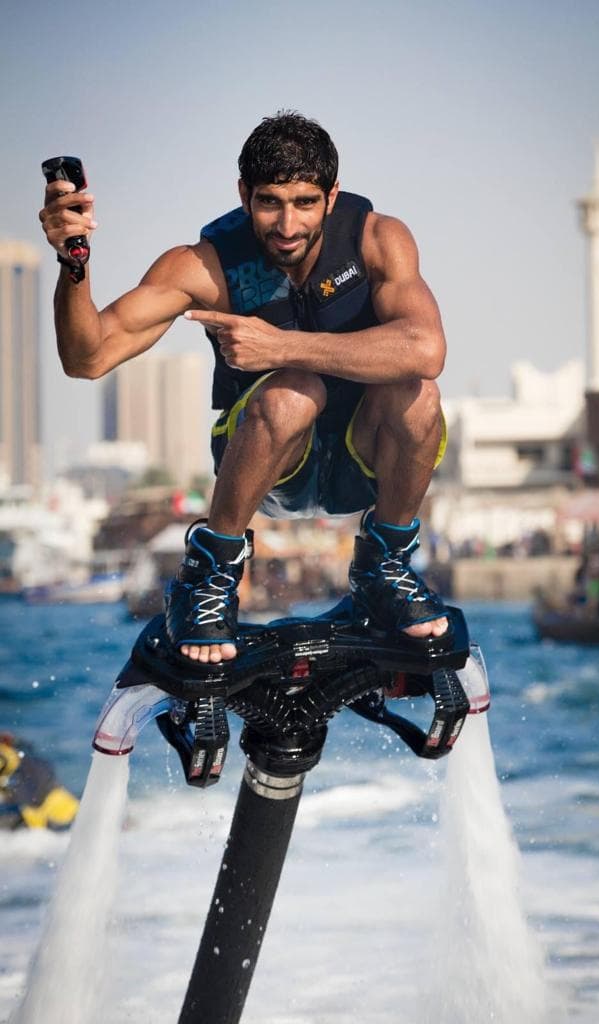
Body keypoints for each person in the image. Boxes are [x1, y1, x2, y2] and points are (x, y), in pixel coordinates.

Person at [40, 112, 451, 665]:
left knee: (419, 393)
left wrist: (280, 348)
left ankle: (386, 569)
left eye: (305, 202)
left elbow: (426, 349)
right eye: (269, 202)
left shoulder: (379, 239)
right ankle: (207, 582)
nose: (287, 224)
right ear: (243, 195)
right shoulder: (205, 265)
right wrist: (73, 262)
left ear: (331, 196)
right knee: (293, 393)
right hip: (269, 455)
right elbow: (86, 358)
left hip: (363, 457)